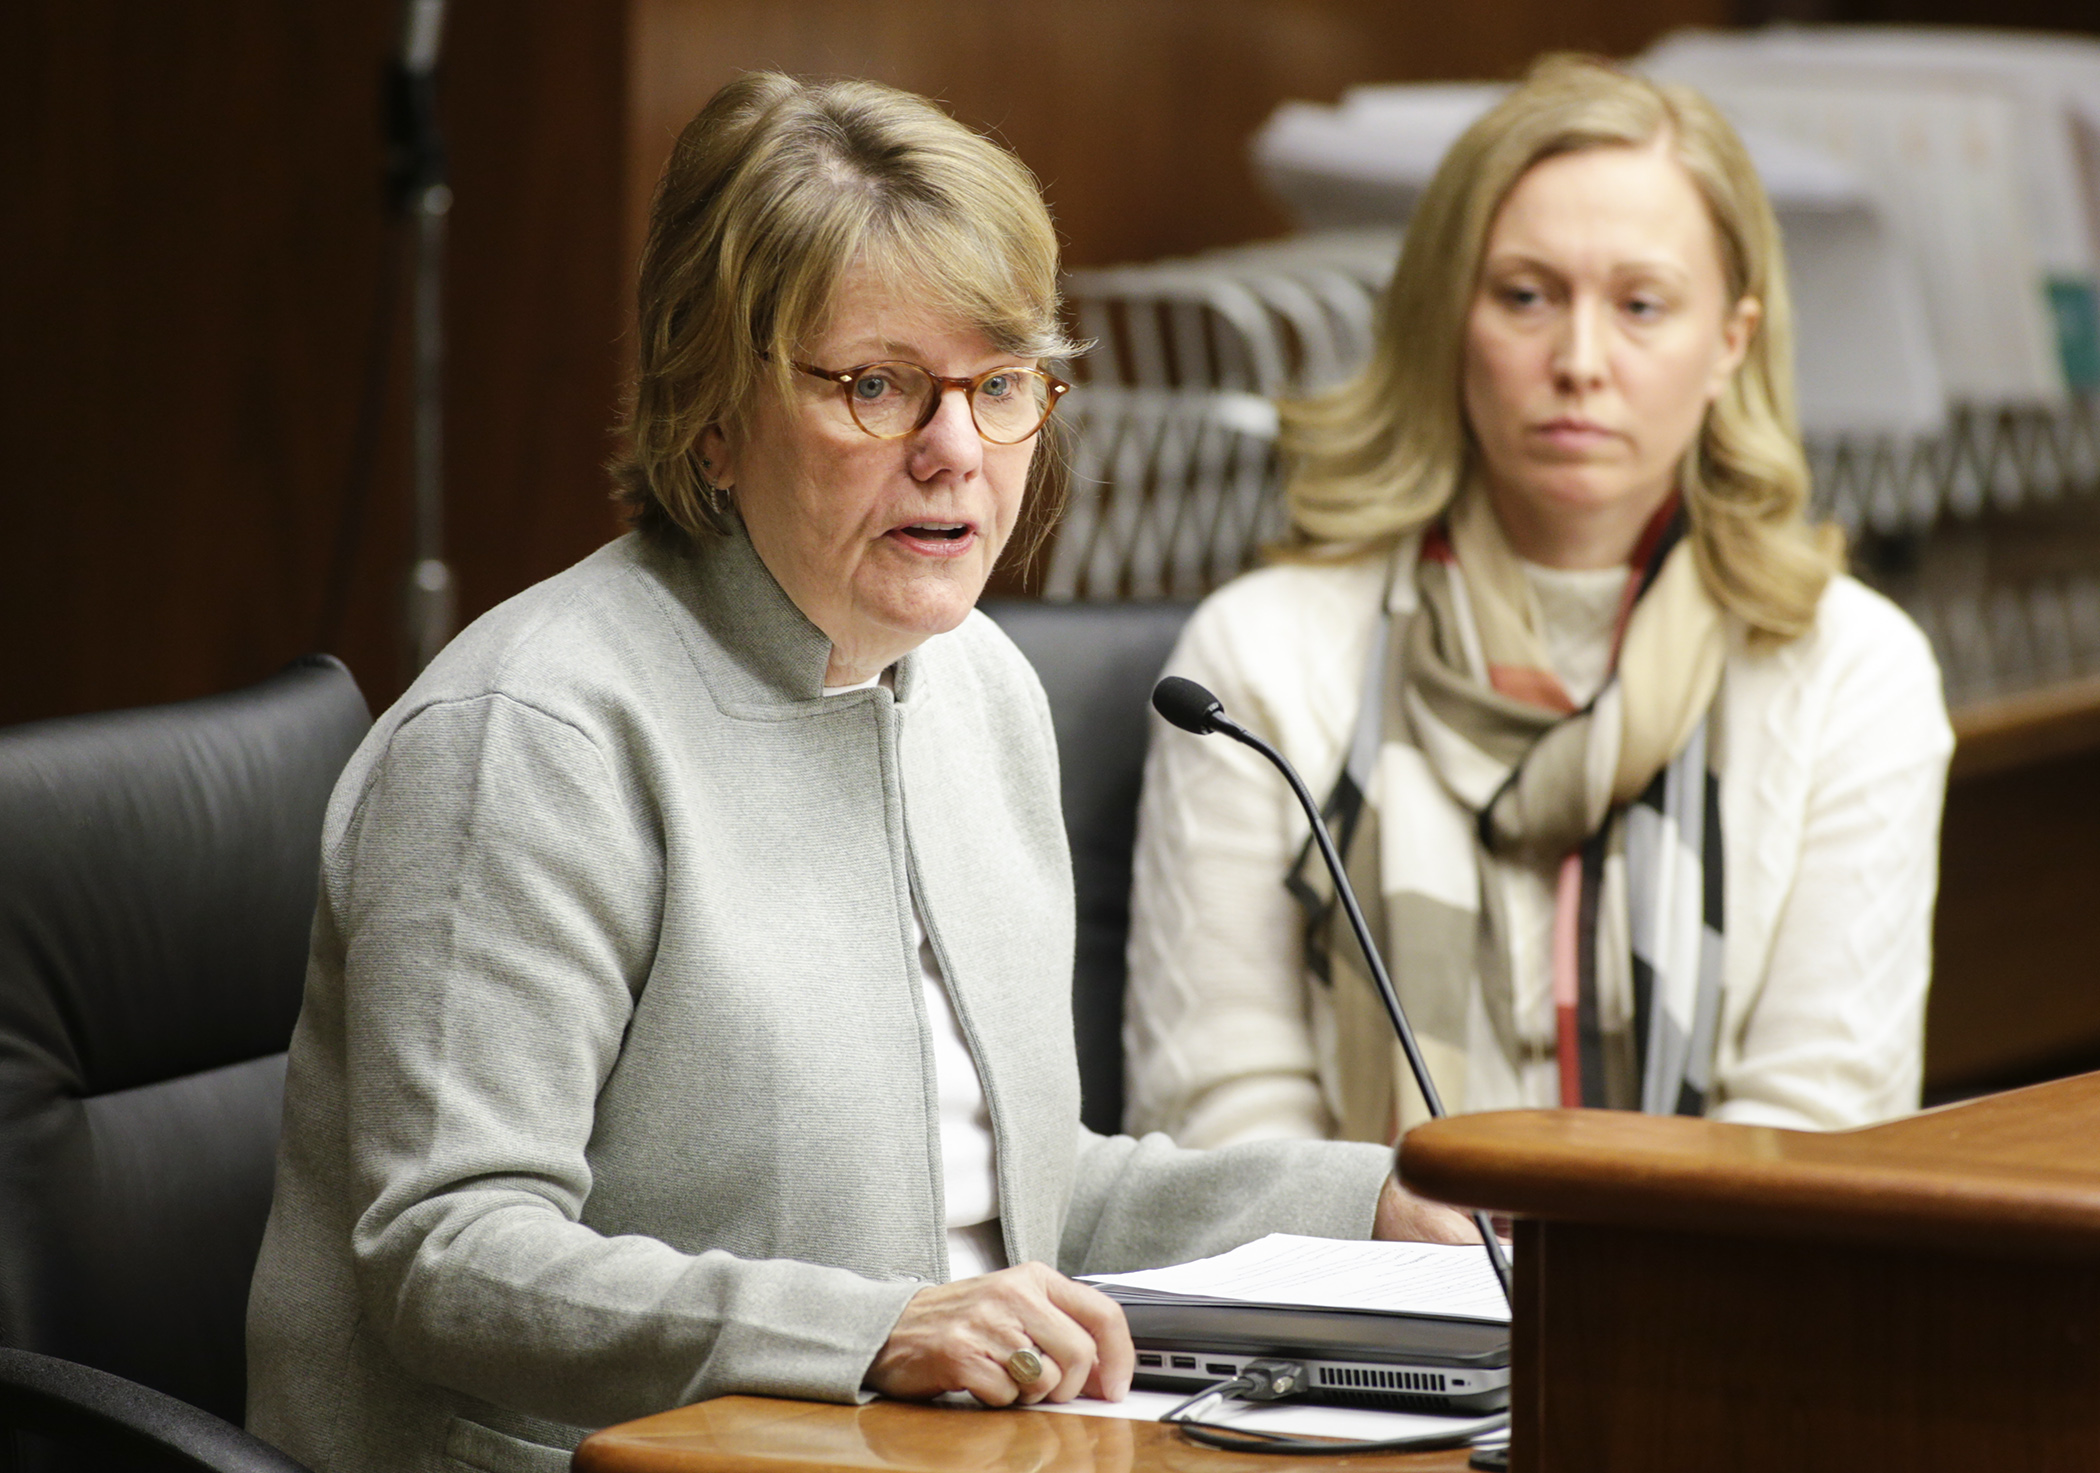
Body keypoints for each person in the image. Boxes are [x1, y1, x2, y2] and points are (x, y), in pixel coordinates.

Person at [246, 73, 1466, 1473]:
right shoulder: (536, 735)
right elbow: (448, 1257)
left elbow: (1021, 1194)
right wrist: (873, 1330)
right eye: (878, 385)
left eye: (1000, 384)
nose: (956, 451)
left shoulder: (977, 688)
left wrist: (1375, 1200)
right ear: (712, 411)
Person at [1123, 56, 1952, 1153]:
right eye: (1525, 295)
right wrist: (1400, 1244)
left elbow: (1816, 1128)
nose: (1579, 360)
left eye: (1642, 305)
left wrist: (1590, 1292)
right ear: (1444, 320)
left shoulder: (1853, 672)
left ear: (1730, 344)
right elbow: (1214, 1114)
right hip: (1350, 1304)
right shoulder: (1256, 655)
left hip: (1705, 1306)